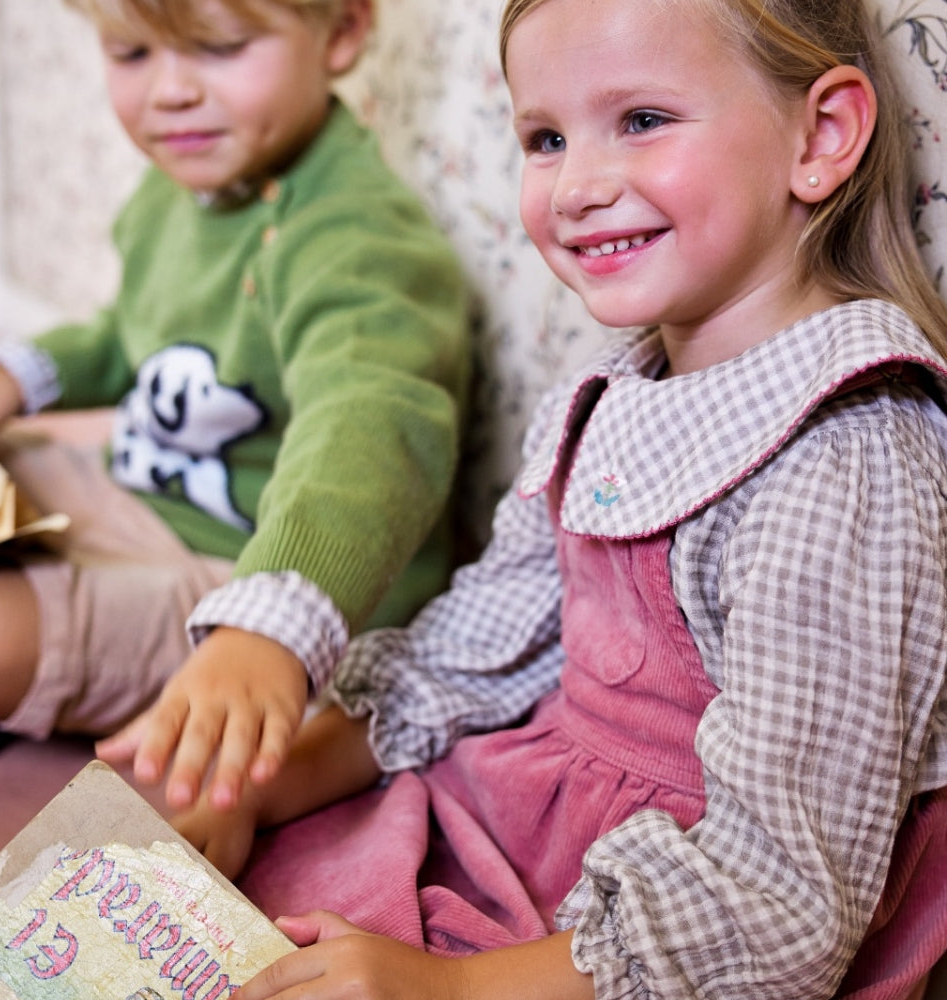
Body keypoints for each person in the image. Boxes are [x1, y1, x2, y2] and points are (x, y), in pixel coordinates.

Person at [170, 0, 947, 996]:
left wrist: (445, 989)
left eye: (641, 120)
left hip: (671, 932)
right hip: (527, 812)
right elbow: (473, 651)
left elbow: (775, 903)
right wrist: (259, 787)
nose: (577, 186)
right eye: (544, 137)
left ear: (821, 136)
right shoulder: (607, 401)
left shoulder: (846, 459)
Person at [0, 0, 470, 811]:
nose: (170, 93)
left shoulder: (357, 238)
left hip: (255, 570)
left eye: (218, 49)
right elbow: (134, 336)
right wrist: (17, 378)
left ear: (340, 35)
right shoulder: (178, 190)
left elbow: (370, 425)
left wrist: (271, 619)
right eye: (130, 54)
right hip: (143, 493)